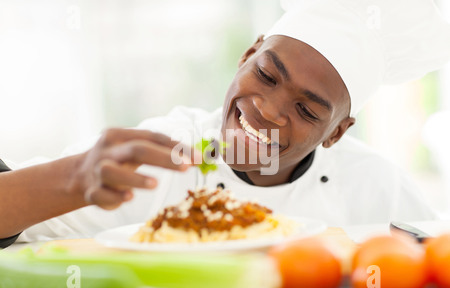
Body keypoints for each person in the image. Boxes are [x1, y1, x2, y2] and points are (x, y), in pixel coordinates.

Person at [1, 0, 450, 247]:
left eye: (308, 110)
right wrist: (68, 179)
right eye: (266, 75)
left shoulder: (379, 186)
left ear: (337, 132)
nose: (270, 111)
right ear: (246, 55)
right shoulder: (162, 157)